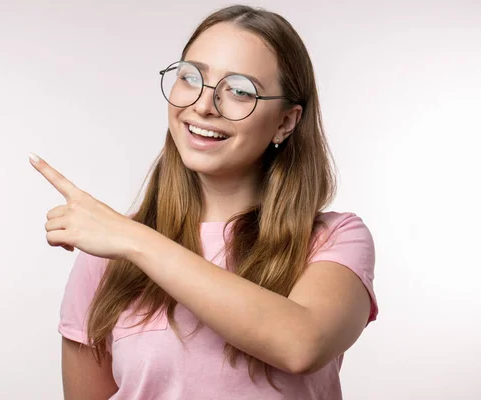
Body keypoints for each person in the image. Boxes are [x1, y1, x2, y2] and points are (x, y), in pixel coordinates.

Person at [29, 4, 378, 399]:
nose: (203, 105)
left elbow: (302, 345)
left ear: (286, 121)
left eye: (240, 90)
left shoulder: (335, 239)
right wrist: (127, 239)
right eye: (190, 78)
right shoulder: (108, 249)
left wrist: (136, 240)